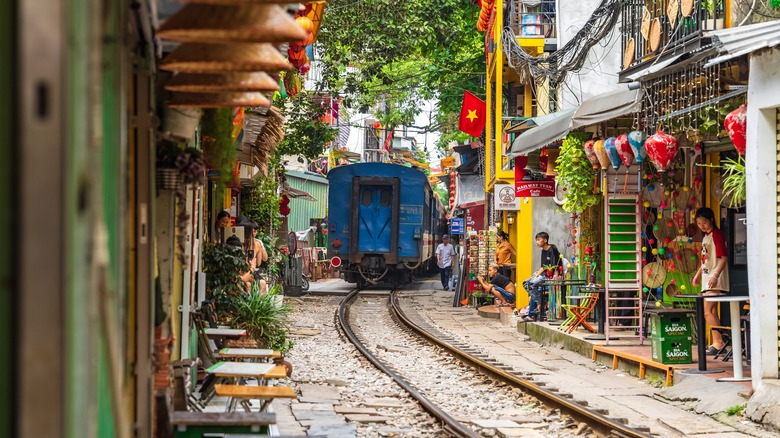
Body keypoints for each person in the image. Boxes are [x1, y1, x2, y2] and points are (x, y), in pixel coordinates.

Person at [691, 207, 730, 354]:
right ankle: (718, 342)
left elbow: (723, 258)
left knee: (707, 311)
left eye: (704, 222)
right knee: (712, 311)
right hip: (708, 278)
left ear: (711, 220)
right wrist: (697, 275)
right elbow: (705, 260)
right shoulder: (706, 236)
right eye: (699, 223)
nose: (702, 226)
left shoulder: (717, 235)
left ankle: (718, 342)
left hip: (715, 279)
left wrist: (715, 276)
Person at [521, 232, 562, 321]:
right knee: (525, 283)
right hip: (543, 274)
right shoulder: (543, 251)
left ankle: (538, 307)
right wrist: (536, 275)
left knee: (532, 285)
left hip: (549, 276)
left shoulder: (552, 249)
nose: (537, 242)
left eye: (539, 240)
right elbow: (543, 266)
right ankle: (539, 303)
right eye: (537, 240)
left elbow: (556, 266)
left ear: (545, 240)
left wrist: (555, 278)